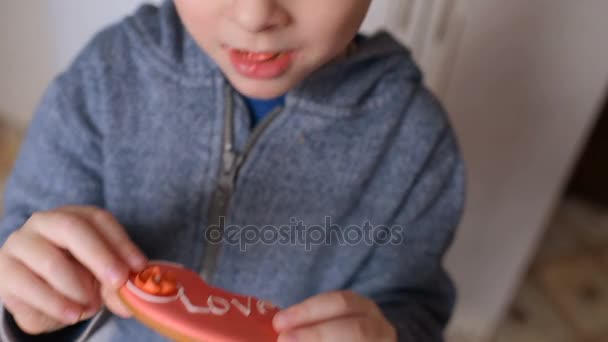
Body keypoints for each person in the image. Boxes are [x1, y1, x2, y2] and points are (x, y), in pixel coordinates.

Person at [0, 0, 465, 341]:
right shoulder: (109, 74)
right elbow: (22, 238)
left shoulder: (415, 140)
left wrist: (388, 335)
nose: (254, 16)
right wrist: (29, 301)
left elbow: (413, 305)